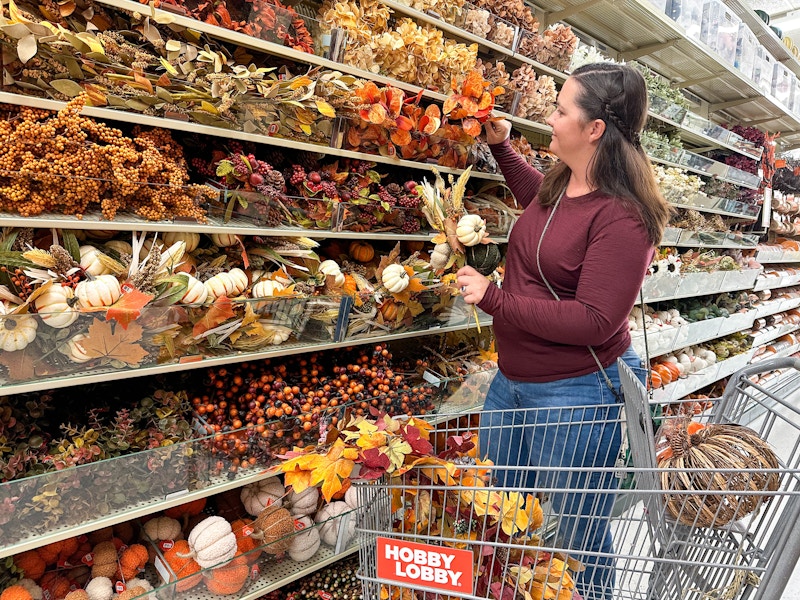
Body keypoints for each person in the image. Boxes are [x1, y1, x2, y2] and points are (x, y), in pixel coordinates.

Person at [456, 62, 672, 600]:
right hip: (511, 385)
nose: (548, 119)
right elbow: (542, 206)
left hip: (574, 394)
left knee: (578, 537)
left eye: (559, 110)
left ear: (594, 129)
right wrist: (504, 148)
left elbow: (595, 321)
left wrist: (495, 299)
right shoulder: (564, 183)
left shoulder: (625, 217)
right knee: (501, 518)